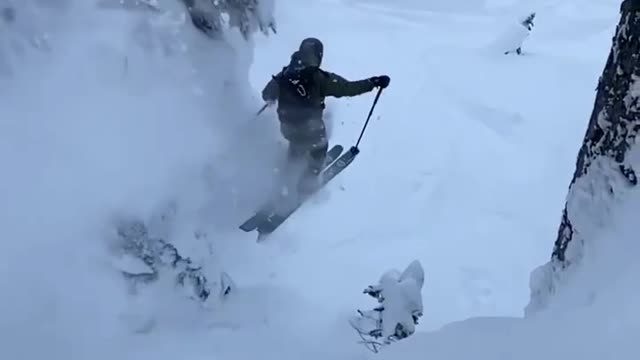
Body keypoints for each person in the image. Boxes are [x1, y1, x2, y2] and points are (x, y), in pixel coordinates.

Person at [261, 37, 390, 195]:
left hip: (287, 128)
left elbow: (266, 95)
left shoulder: (285, 73)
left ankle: (287, 178)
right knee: (319, 148)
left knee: (296, 144)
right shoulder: (319, 78)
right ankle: (307, 183)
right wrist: (373, 82)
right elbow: (348, 88)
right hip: (311, 131)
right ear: (318, 55)